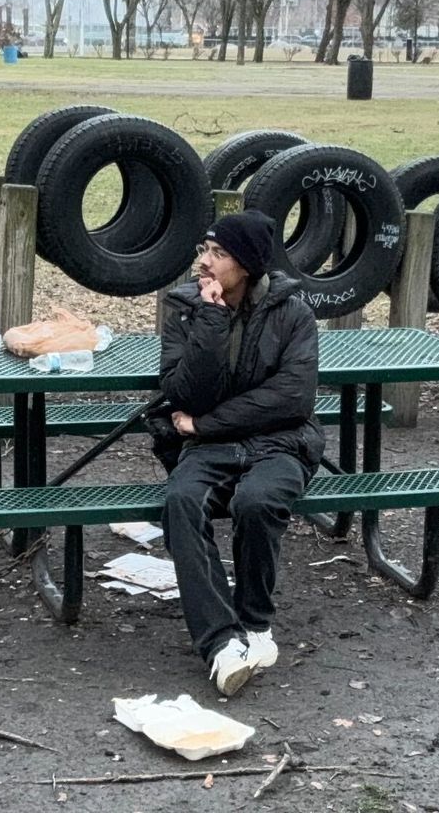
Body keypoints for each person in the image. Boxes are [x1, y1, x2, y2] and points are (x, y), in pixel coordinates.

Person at [155, 210, 321, 695]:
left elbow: (293, 397)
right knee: (182, 502)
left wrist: (207, 422)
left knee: (258, 501)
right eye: (204, 251)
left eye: (218, 254)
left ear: (246, 265)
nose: (204, 263)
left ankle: (255, 624)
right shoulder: (187, 309)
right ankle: (222, 644)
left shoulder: (293, 312)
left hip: (282, 443)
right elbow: (184, 392)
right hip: (208, 448)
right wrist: (211, 318)